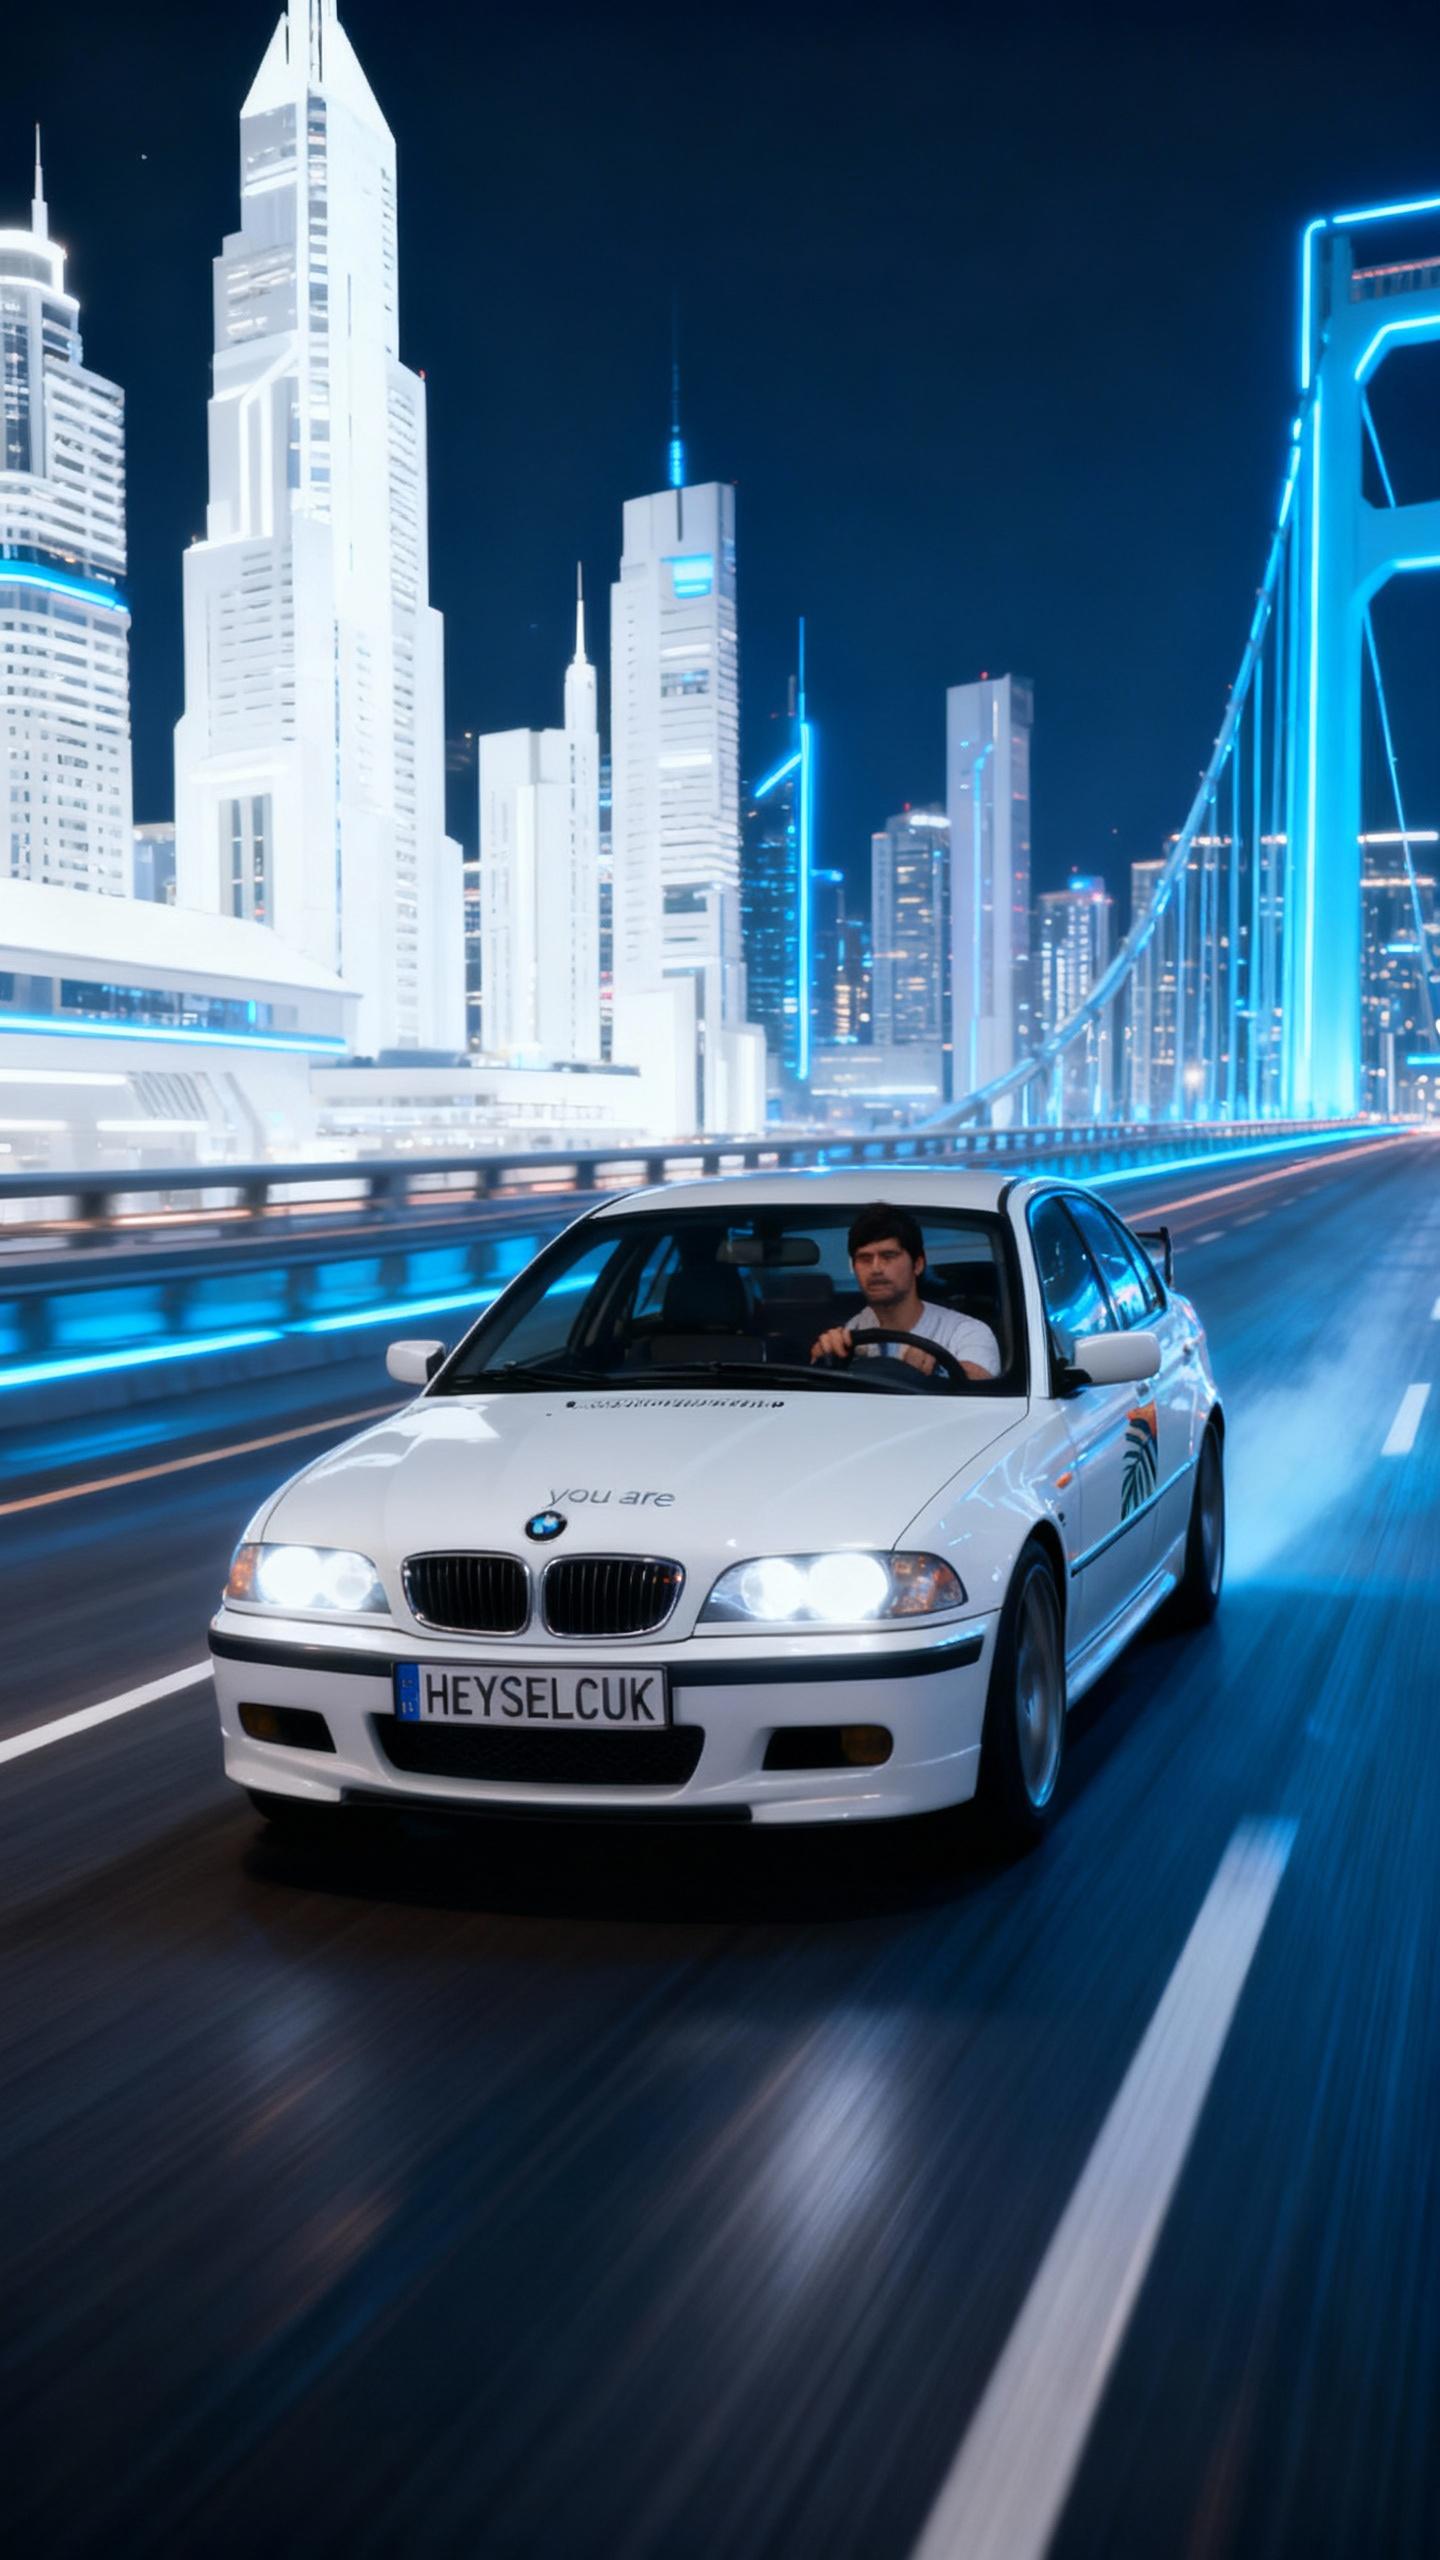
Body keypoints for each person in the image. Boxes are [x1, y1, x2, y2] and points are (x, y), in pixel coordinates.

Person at [811, 1202, 1002, 1381]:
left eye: (888, 1256)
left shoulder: (966, 1332)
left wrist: (941, 1368)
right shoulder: (851, 1332)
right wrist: (823, 1358)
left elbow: (981, 1386)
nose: (876, 1268)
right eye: (865, 1258)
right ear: (854, 1267)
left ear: (918, 1264)